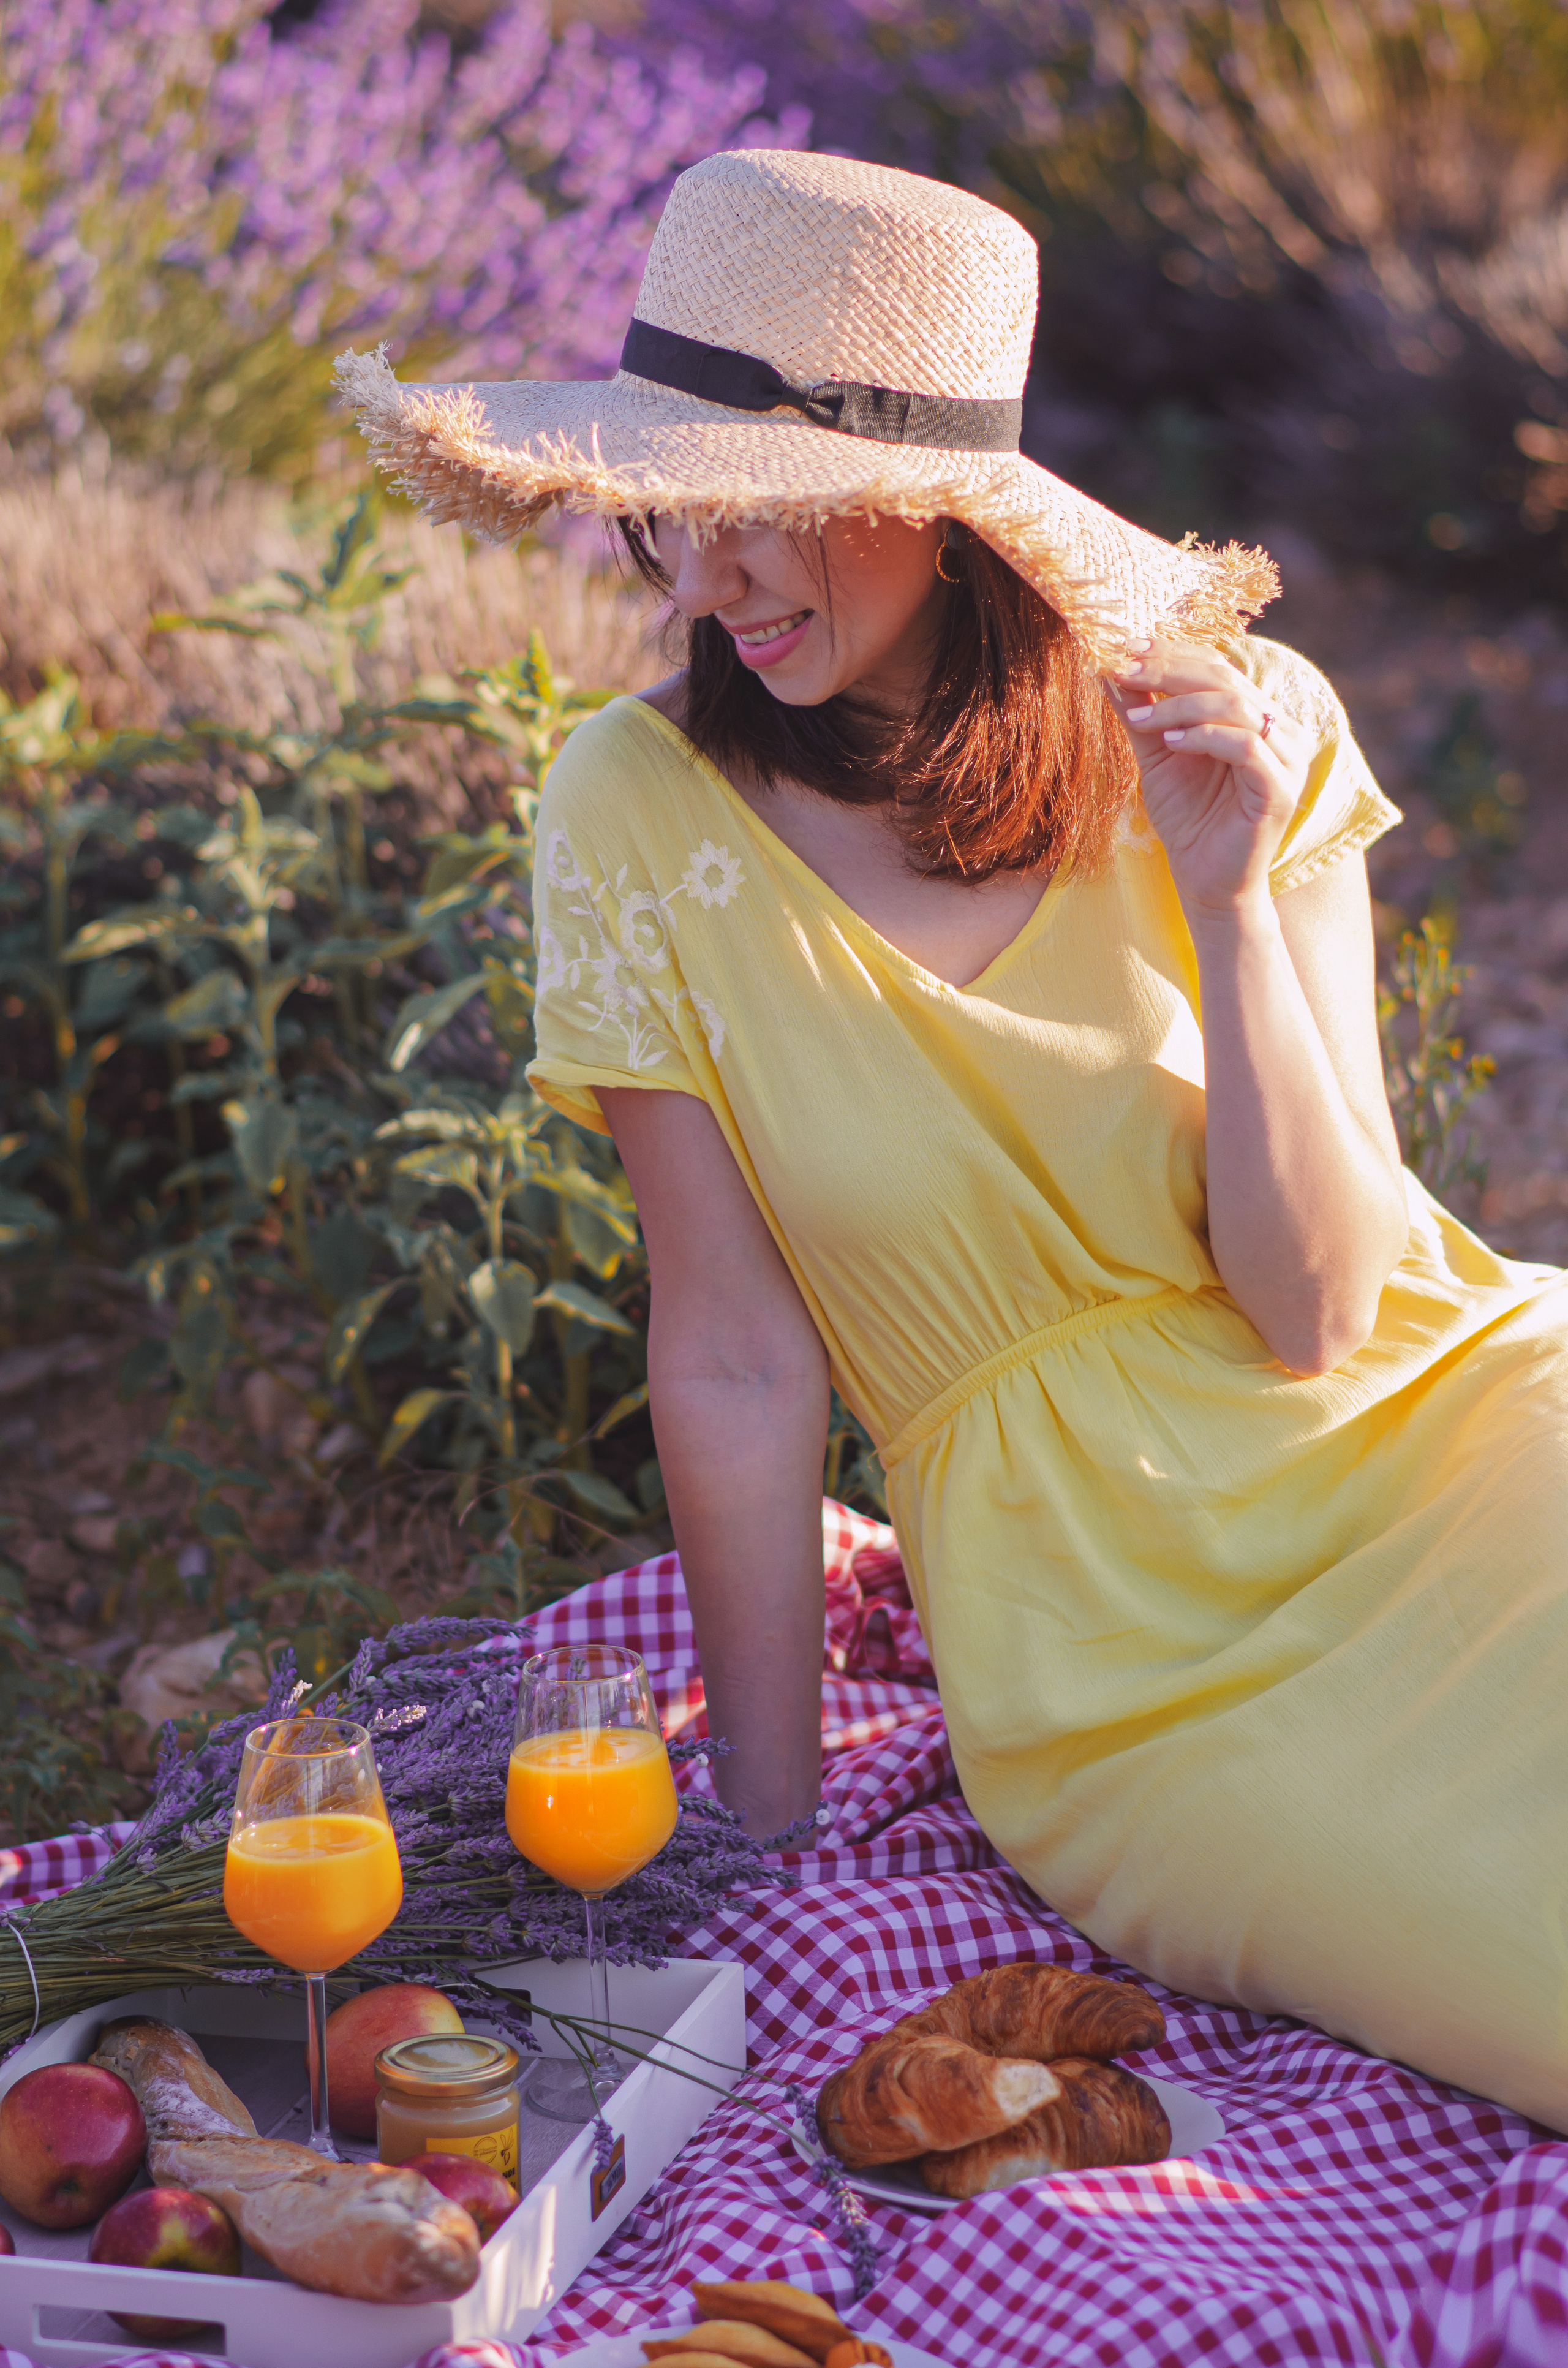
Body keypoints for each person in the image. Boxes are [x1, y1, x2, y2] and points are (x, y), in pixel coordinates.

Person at [342, 149, 1568, 2130]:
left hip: (1451, 1433)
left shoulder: (1229, 729)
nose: (709, 580)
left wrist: (1235, 903)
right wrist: (765, 1826)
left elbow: (1330, 1307)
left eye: (766, 514)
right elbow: (736, 1350)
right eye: (666, 514)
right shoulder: (637, 806)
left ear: (947, 506)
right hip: (1125, 1668)